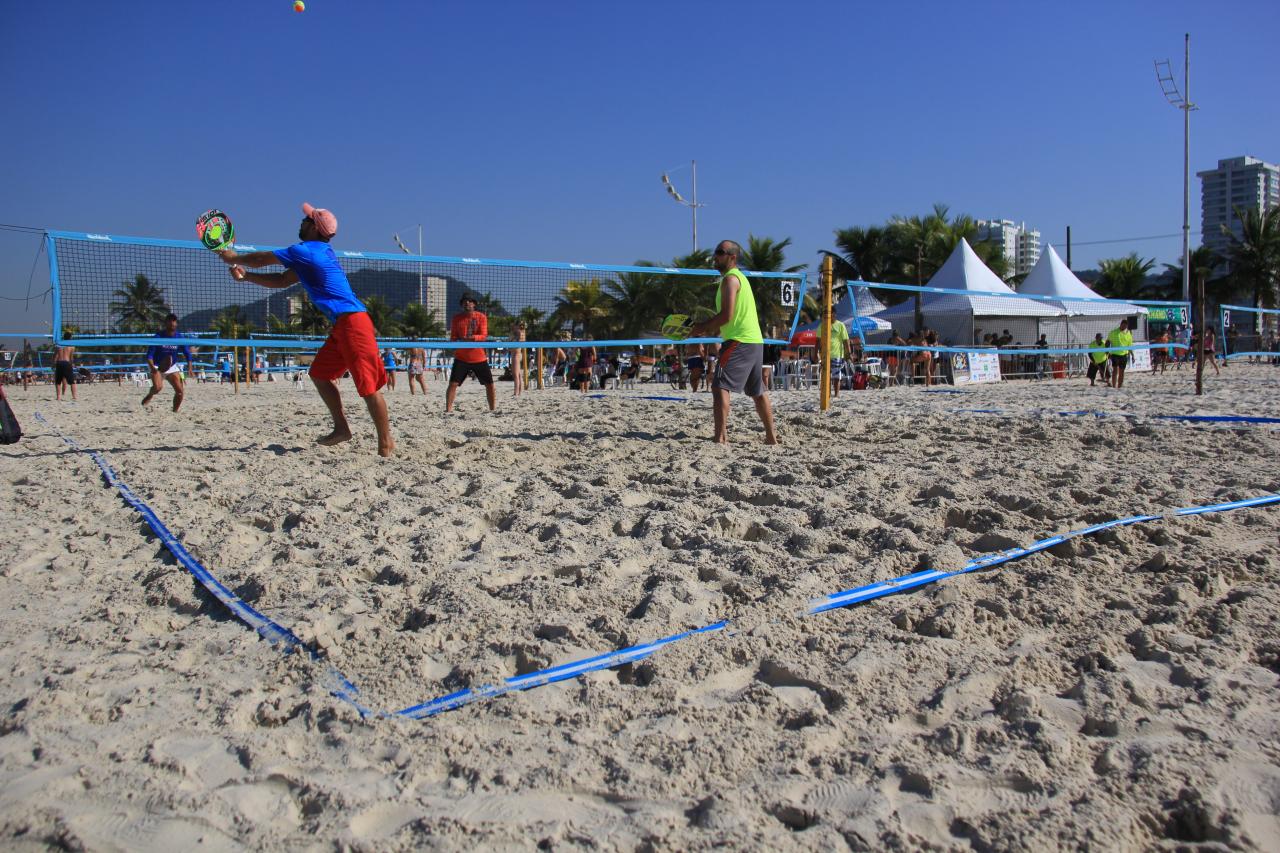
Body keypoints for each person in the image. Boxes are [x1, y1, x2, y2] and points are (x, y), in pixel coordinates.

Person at [217, 202, 394, 456]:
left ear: (314, 228)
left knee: (368, 389)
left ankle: (385, 442)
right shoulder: (314, 253)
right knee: (320, 374)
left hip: (353, 323)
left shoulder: (306, 251)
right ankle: (342, 428)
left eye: (306, 219)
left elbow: (260, 259)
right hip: (343, 324)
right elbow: (281, 281)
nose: (301, 222)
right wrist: (246, 277)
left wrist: (232, 256)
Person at [689, 240, 779, 444]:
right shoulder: (741, 279)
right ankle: (771, 437)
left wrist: (700, 327)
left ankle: (720, 436)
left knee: (719, 386)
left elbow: (727, 315)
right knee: (758, 391)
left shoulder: (730, 279)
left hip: (740, 341)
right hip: (754, 341)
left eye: (720, 252)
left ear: (732, 257)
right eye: (715, 252)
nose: (716, 256)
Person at [445, 293, 495, 412]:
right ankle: (448, 410)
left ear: (474, 304)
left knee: (490, 384)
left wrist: (471, 338)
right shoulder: (456, 318)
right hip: (461, 357)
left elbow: (483, 336)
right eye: (464, 301)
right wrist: (457, 341)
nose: (467, 303)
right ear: (462, 304)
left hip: (479, 357)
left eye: (469, 301)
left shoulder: (481, 317)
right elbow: (453, 337)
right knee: (453, 384)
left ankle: (492, 409)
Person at [141, 314, 194, 412]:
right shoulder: (158, 337)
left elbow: (187, 354)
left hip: (171, 366)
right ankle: (150, 394)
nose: (172, 323)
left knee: (180, 392)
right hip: (157, 365)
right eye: (170, 321)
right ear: (166, 323)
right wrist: (153, 368)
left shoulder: (180, 338)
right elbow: (149, 356)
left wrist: (190, 368)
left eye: (174, 321)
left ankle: (175, 411)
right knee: (157, 388)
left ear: (176, 323)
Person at [816, 319, 850, 397]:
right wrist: (815, 354)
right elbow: (817, 340)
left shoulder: (840, 325)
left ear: (834, 314)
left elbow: (846, 340)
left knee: (836, 376)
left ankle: (836, 394)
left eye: (831, 314)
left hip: (837, 355)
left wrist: (848, 353)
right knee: (826, 376)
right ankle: (827, 394)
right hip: (825, 355)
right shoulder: (822, 325)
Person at [1106, 318, 1134, 389]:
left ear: (1127, 326)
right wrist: (1107, 351)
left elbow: (1130, 346)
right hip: (1115, 354)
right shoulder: (1113, 332)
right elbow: (1108, 342)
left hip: (1124, 355)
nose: (1124, 327)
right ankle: (1114, 386)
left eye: (1125, 326)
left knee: (1122, 371)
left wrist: (1133, 355)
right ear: (1120, 324)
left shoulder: (1128, 334)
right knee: (1115, 370)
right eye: (1123, 325)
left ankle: (1119, 386)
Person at [53, 334, 77, 402]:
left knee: (58, 382)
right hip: (67, 363)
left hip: (59, 363)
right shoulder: (72, 346)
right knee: (72, 381)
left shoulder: (58, 345)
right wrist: (72, 364)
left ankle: (58, 397)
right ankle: (74, 397)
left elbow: (55, 355)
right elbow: (71, 357)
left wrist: (53, 364)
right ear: (70, 338)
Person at [511, 322, 527, 397]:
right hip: (516, 354)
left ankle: (516, 392)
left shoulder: (519, 333)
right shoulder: (520, 333)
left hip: (516, 354)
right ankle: (519, 392)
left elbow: (518, 340)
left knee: (516, 375)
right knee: (519, 374)